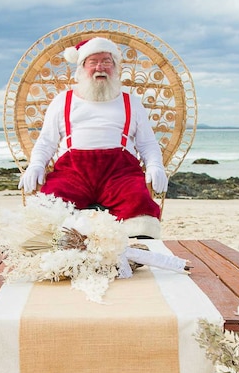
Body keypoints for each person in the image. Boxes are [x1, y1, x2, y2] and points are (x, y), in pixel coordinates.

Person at [18, 37, 167, 239]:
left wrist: (155, 165)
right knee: (50, 204)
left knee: (138, 202)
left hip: (120, 174)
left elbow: (147, 143)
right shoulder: (63, 100)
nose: (100, 67)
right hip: (73, 173)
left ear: (115, 67)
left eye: (106, 61)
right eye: (93, 62)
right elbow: (46, 141)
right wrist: (36, 164)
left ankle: (136, 252)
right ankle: (62, 251)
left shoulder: (131, 102)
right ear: (81, 67)